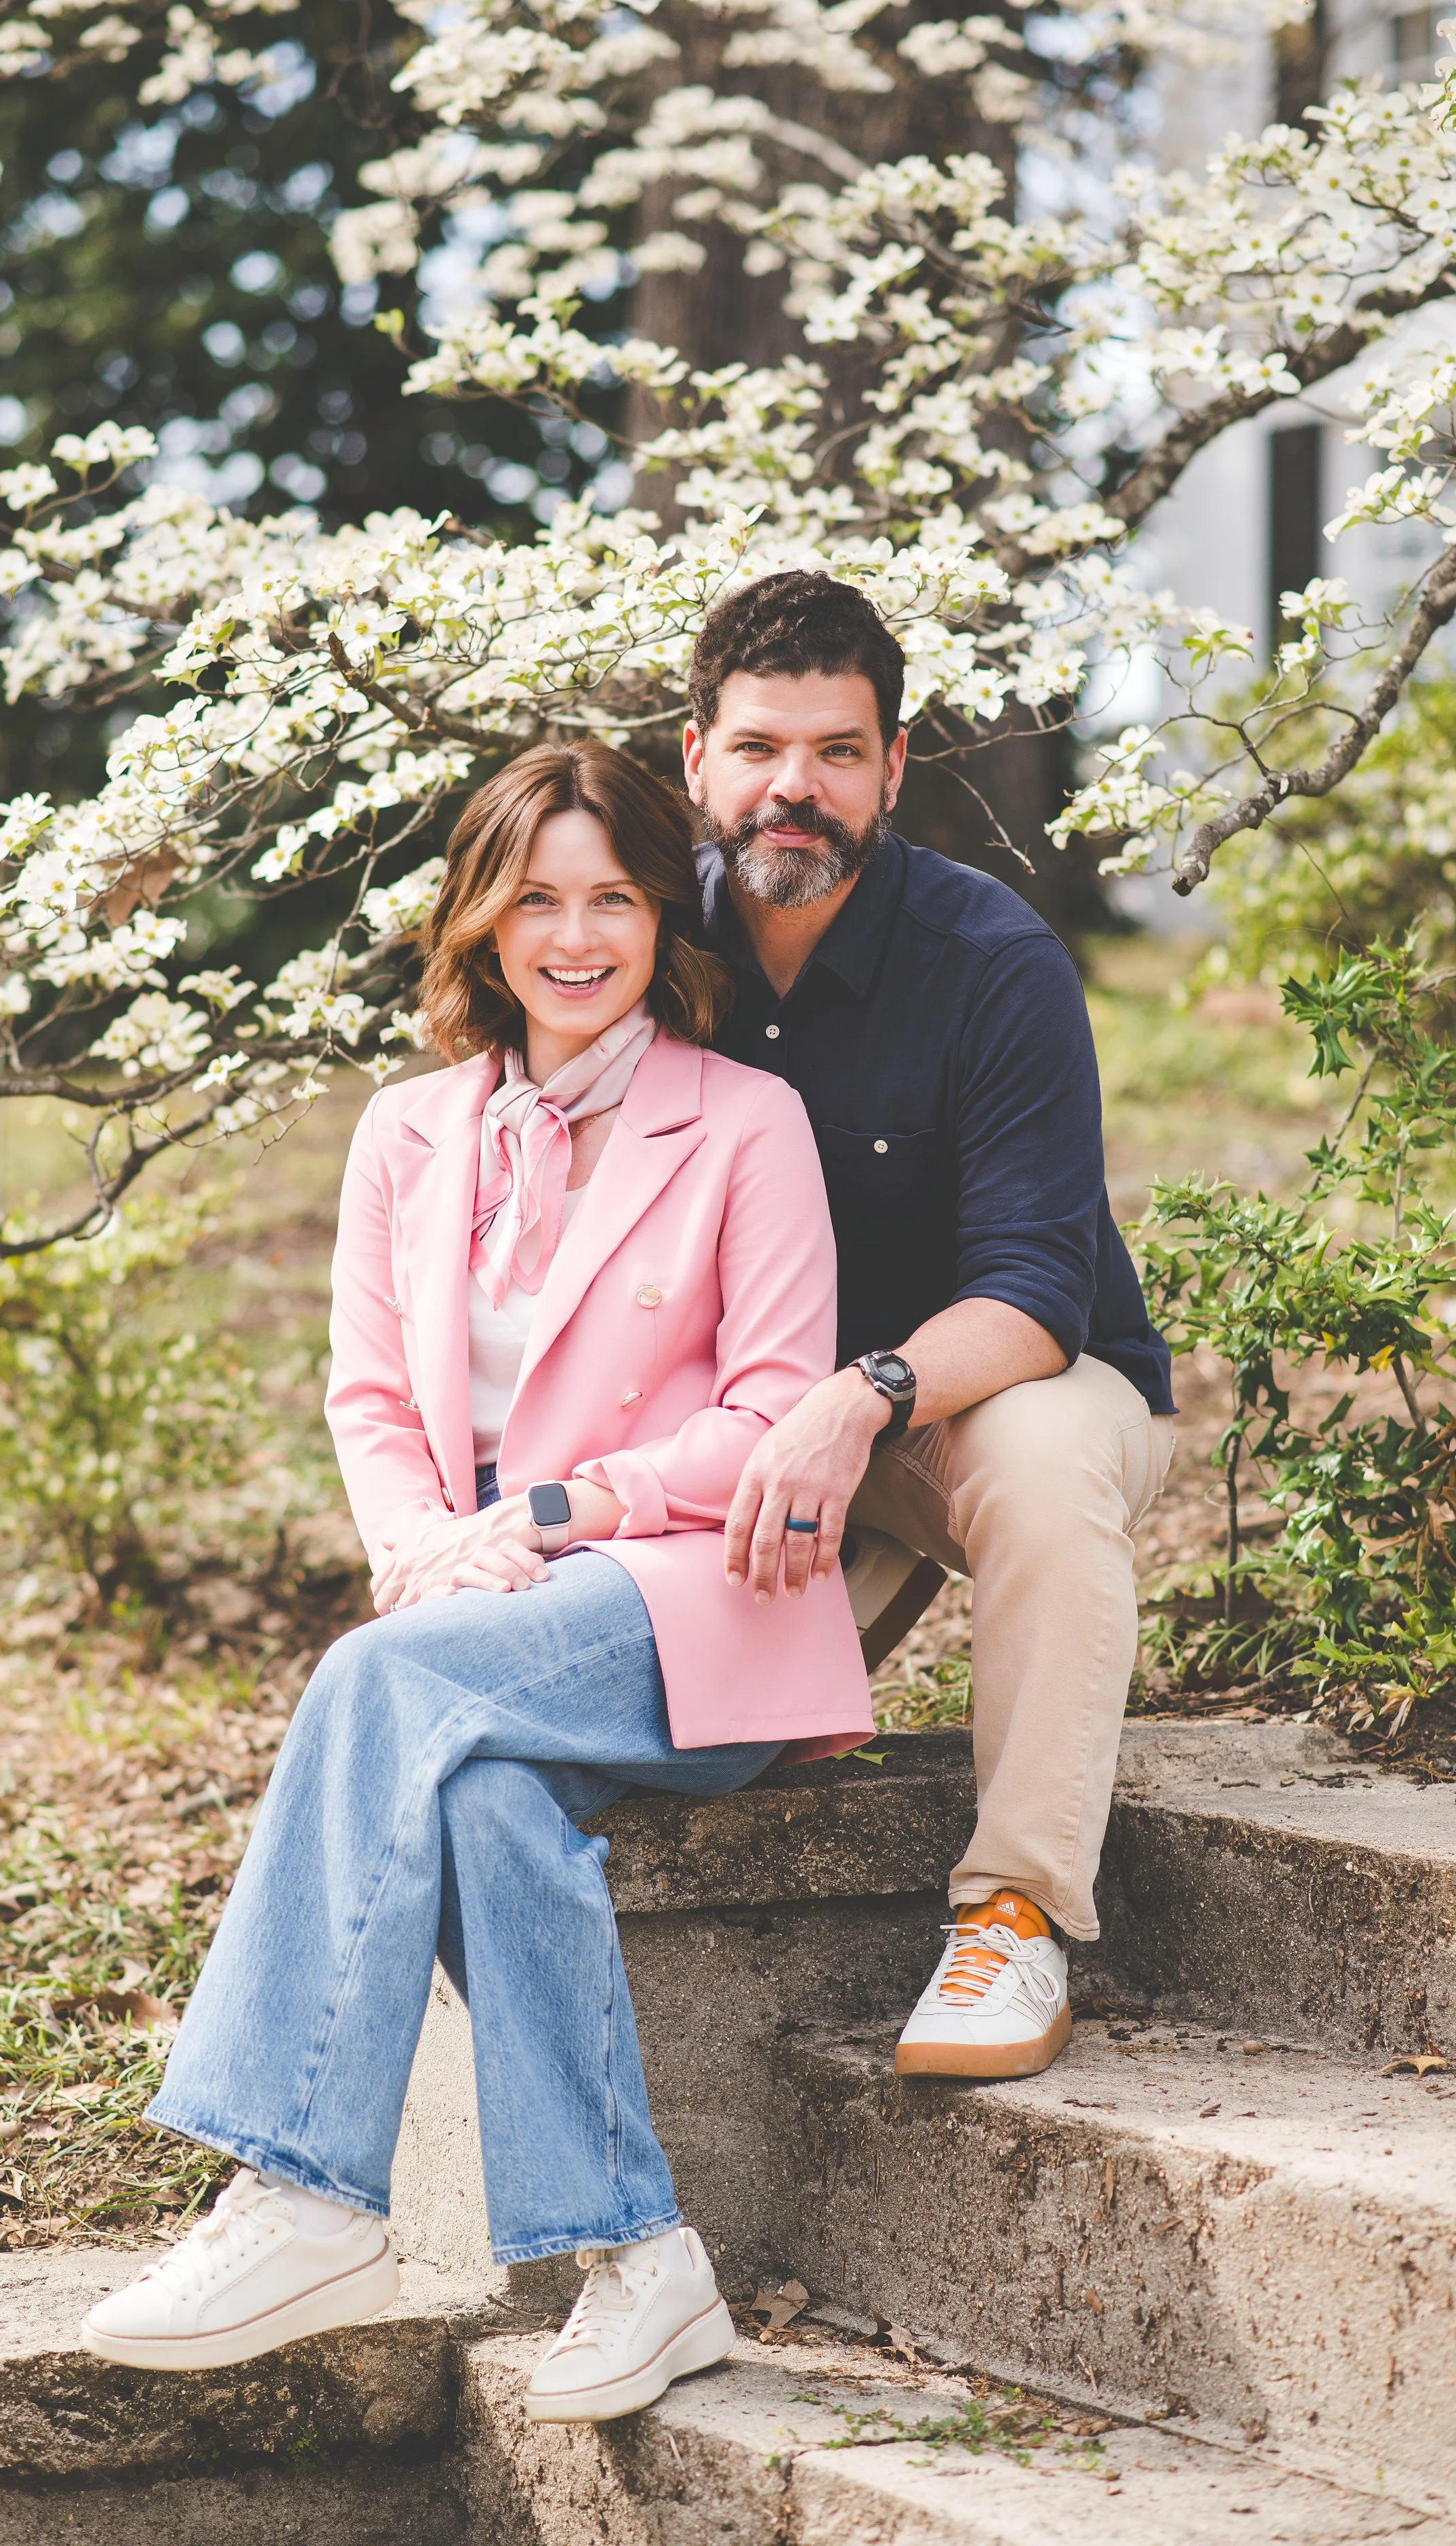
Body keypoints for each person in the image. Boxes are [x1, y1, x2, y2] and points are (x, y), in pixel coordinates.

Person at [79, 739, 871, 2419]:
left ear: (663, 918)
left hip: (690, 1599)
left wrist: (561, 1514)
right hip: (481, 1618)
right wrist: (427, 1553)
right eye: (535, 901)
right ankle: (643, 2261)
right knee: (483, 1804)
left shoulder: (747, 1125)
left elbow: (770, 1417)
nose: (574, 938)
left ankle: (299, 2181)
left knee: (381, 1684)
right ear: (481, 924)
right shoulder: (408, 1133)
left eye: (612, 901)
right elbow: (369, 1401)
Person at [688, 570, 1175, 2081]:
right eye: (762, 747)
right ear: (692, 755)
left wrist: (855, 1400)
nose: (796, 788)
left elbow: (1037, 1293)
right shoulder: (640, 954)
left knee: (1031, 1452)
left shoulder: (992, 963)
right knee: (692, 1759)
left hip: (995, 1396)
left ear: (892, 768)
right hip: (750, 1437)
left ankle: (1014, 1914)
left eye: (838, 752)